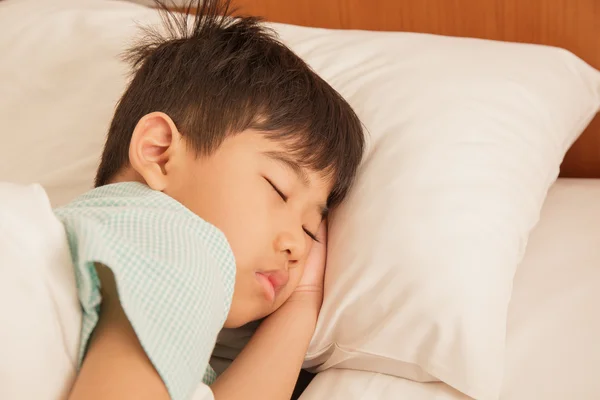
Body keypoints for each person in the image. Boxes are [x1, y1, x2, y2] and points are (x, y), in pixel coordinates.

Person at [53, 0, 365, 399]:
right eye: (279, 188)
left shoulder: (116, 248)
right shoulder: (174, 238)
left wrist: (302, 304)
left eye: (310, 229)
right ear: (160, 153)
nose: (297, 246)